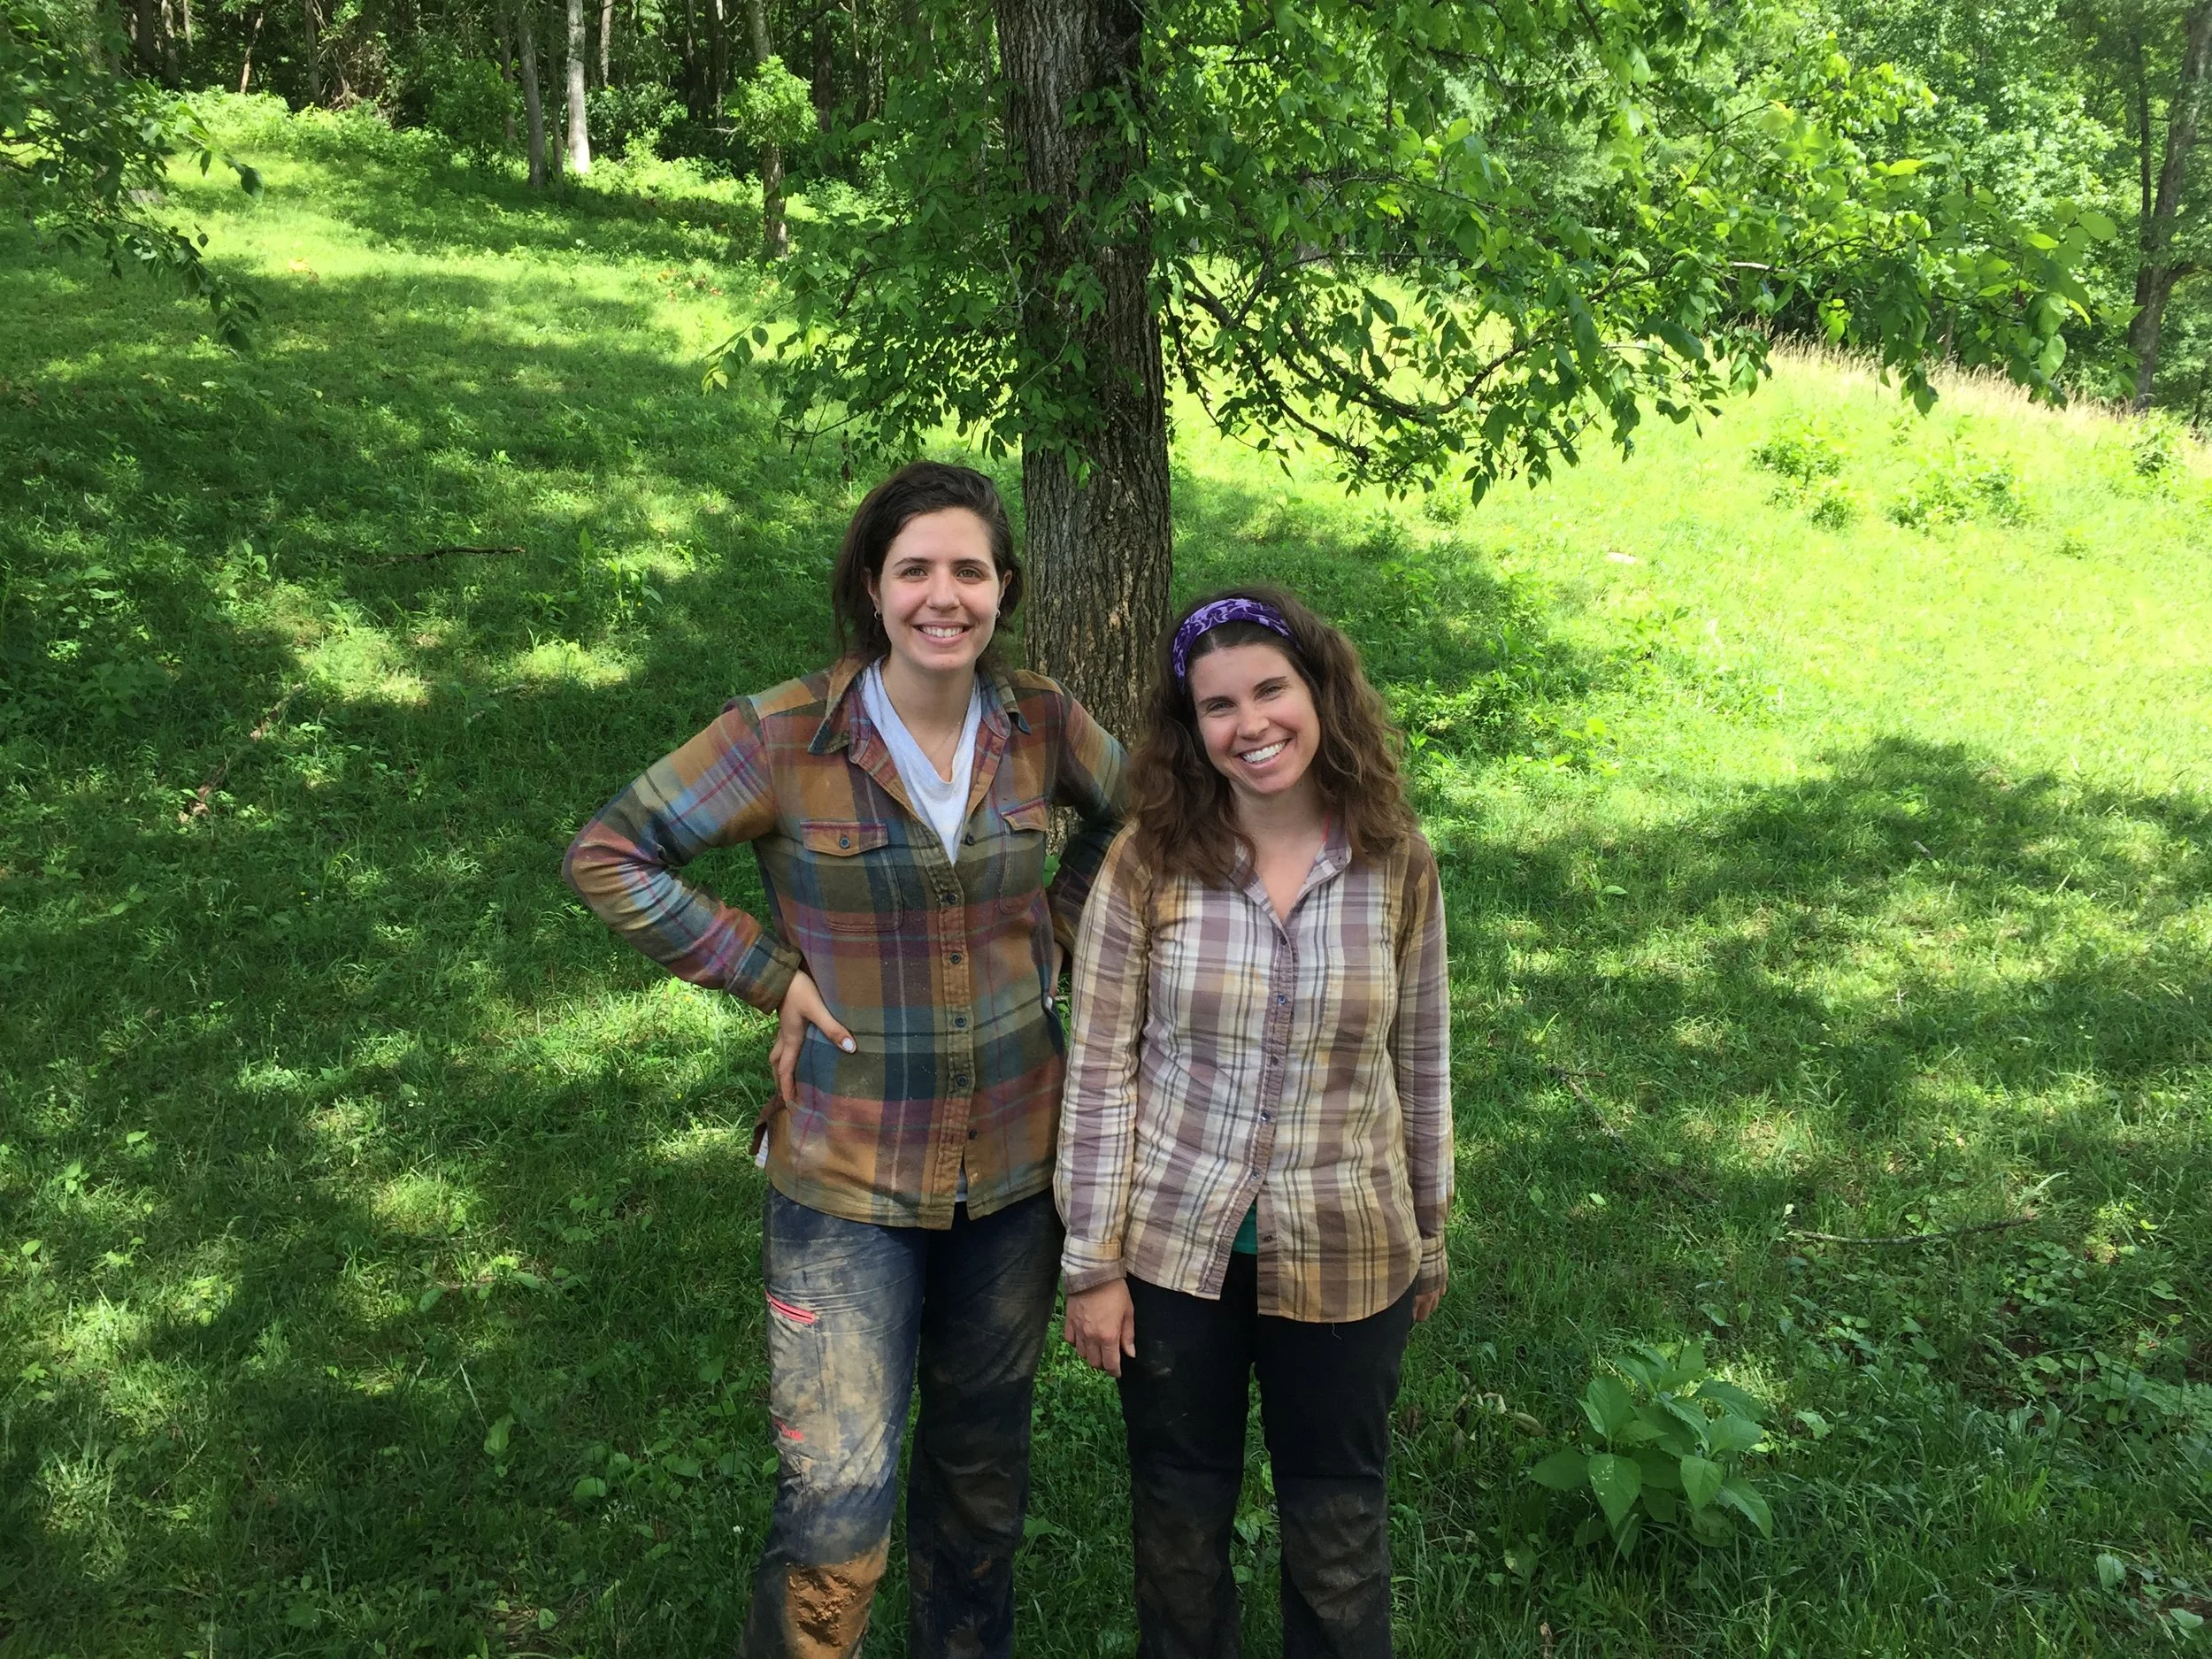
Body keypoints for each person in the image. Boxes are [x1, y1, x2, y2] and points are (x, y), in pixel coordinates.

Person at [564, 462, 1126, 1659]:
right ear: (872, 586)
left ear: (1003, 587)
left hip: (1015, 1177)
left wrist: (1061, 925)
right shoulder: (784, 734)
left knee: (981, 1485)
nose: (943, 595)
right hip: (845, 1182)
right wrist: (770, 973)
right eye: (914, 568)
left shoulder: (1044, 724)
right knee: (837, 1500)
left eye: (968, 570)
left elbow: (1147, 816)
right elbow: (611, 852)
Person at [1056, 587, 1451, 1659]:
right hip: (1176, 1255)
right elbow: (1098, 1072)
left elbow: (1420, 1054)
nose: (1250, 723)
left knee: (1337, 1526)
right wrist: (1090, 1264)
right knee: (1178, 1524)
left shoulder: (1396, 859)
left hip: (1350, 1243)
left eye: (1270, 689)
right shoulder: (1146, 862)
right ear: (1190, 729)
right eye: (1216, 705)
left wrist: (1428, 1228)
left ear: (1319, 693)